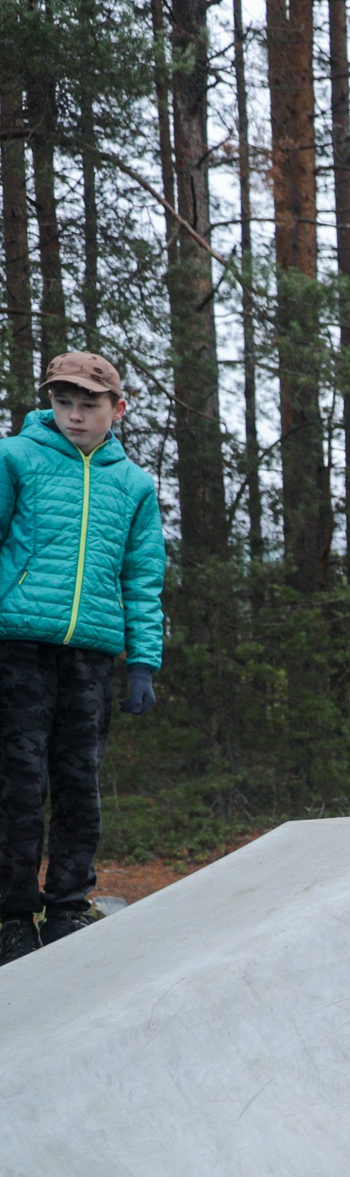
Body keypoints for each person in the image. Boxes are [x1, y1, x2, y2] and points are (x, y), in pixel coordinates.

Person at [0, 353, 165, 965]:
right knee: (17, 785)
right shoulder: (15, 457)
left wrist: (142, 660)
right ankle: (11, 915)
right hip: (16, 644)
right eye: (63, 401)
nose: (74, 413)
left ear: (116, 410)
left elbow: (142, 577)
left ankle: (69, 906)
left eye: (89, 403)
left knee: (79, 784)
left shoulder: (134, 484)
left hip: (91, 654)